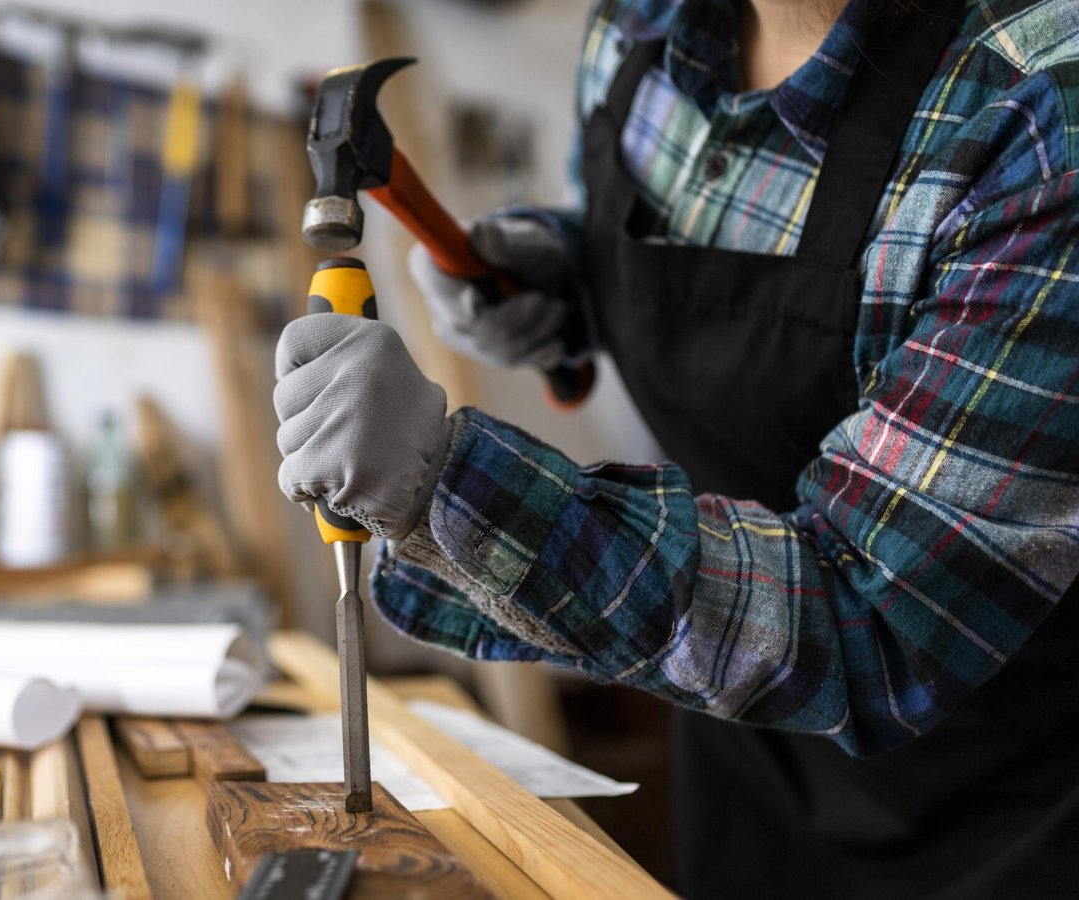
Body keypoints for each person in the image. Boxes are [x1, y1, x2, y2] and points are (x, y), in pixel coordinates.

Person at [272, 0, 1079, 895]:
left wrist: (445, 484)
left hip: (983, 808)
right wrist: (567, 273)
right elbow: (695, 234)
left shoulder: (1038, 104)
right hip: (738, 753)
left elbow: (877, 622)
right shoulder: (635, 27)